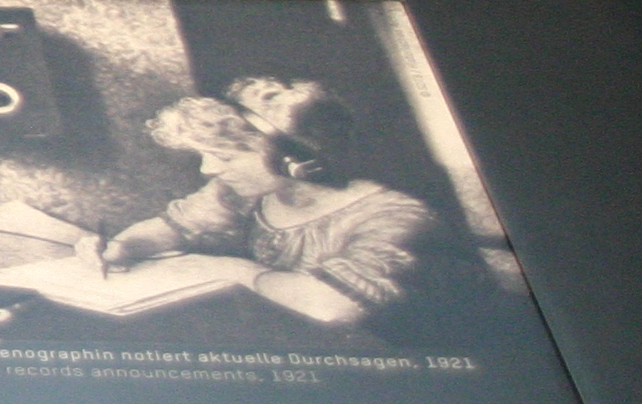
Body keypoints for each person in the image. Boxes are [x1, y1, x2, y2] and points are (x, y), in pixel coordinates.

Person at [91, 78, 439, 327]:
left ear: (293, 160)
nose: (208, 169)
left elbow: (332, 307)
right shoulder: (242, 193)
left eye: (225, 157)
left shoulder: (394, 216)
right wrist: (122, 246)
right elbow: (174, 227)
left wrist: (235, 270)